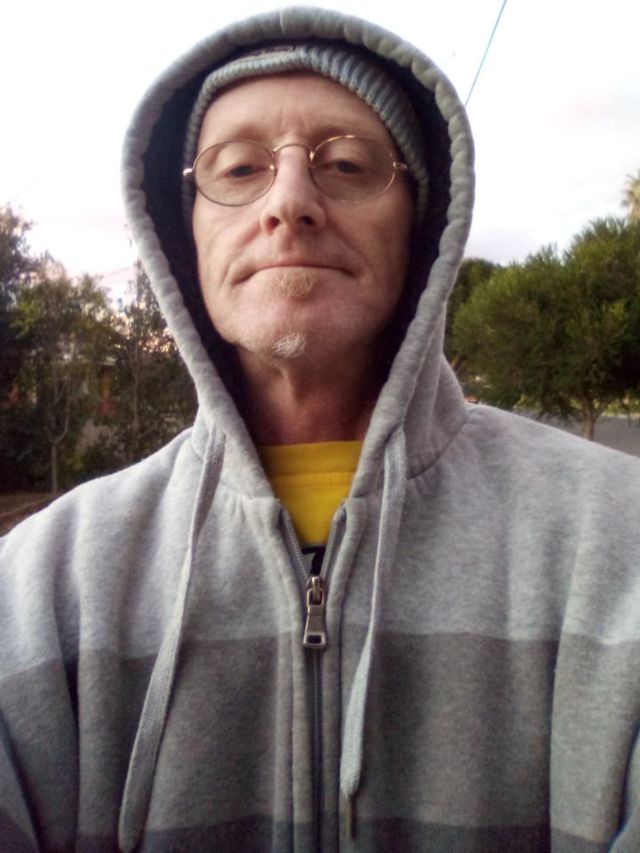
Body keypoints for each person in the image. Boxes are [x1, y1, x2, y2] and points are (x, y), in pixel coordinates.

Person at [1, 7, 640, 852]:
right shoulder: (41, 591)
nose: (291, 203)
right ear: (184, 233)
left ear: (423, 224)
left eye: (346, 164)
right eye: (239, 168)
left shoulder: (619, 543)